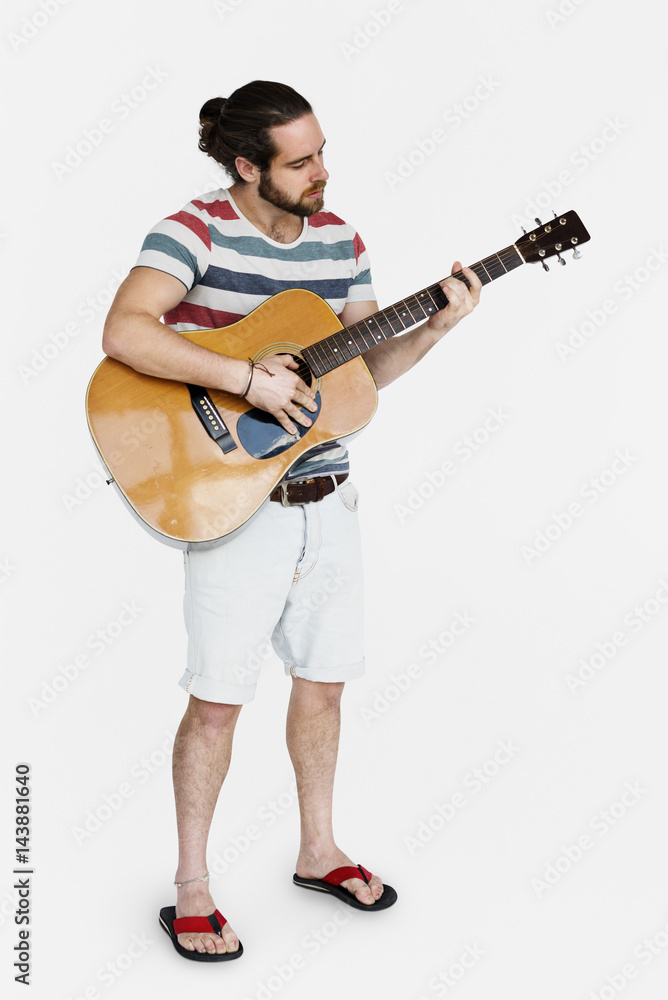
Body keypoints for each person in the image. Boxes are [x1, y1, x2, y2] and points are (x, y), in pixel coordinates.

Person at [102, 80, 482, 962]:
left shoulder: (342, 239)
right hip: (234, 503)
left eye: (322, 152)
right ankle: (191, 887)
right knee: (217, 705)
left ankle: (318, 851)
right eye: (300, 160)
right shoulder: (192, 231)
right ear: (247, 166)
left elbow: (362, 373)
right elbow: (125, 331)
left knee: (324, 682)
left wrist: (436, 328)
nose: (321, 172)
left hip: (330, 497)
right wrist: (245, 378)